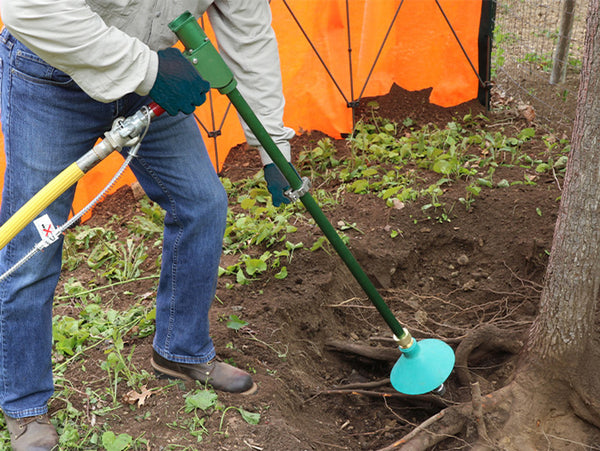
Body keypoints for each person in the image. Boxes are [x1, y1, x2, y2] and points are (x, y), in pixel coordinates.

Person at [0, 1, 296, 449]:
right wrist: (149, 69)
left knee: (202, 203)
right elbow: (29, 8)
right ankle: (23, 403)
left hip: (153, 74)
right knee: (32, 243)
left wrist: (271, 142)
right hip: (53, 76)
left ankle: (180, 350)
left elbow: (247, 34)